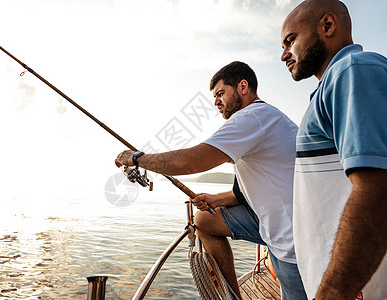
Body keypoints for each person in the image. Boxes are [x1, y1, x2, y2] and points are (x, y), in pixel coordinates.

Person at [115, 61, 307, 299]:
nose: (216, 101)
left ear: (243, 87)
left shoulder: (251, 118)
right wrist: (217, 199)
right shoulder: (266, 118)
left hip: (293, 240)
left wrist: (136, 158)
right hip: (283, 222)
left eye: (220, 93)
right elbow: (262, 187)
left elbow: (190, 162)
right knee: (205, 220)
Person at [281, 0, 387, 299]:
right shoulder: (335, 83)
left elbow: (377, 189)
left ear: (327, 26)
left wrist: (334, 292)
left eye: (290, 40)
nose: (283, 54)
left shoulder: (354, 70)